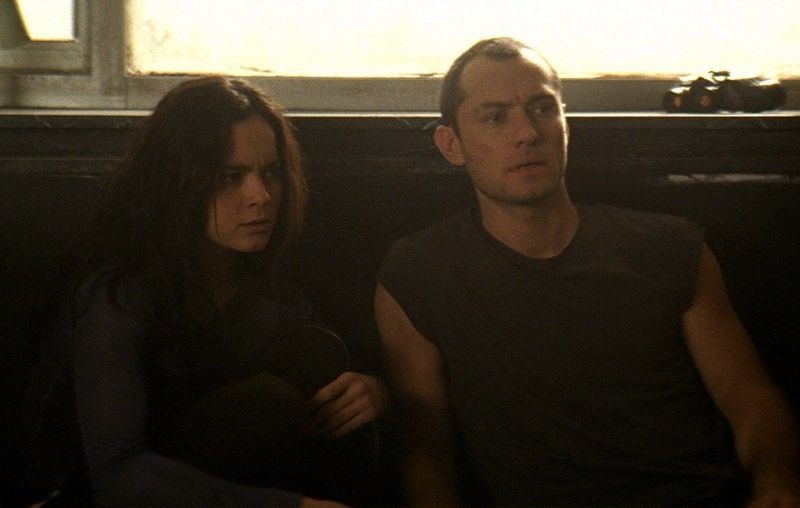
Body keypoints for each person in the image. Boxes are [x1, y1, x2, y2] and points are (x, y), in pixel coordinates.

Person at [375, 37, 800, 506]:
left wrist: (777, 484)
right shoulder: (419, 274)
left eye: (542, 109)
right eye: (495, 118)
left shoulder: (668, 248)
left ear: (565, 124)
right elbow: (426, 452)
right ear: (451, 144)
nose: (527, 133)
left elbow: (750, 401)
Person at [41, 76, 387, 507]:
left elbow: (332, 360)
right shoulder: (120, 294)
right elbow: (118, 473)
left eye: (271, 173)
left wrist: (372, 390)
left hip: (241, 484)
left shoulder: (273, 275)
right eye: (230, 176)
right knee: (268, 402)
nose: (261, 196)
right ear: (178, 181)